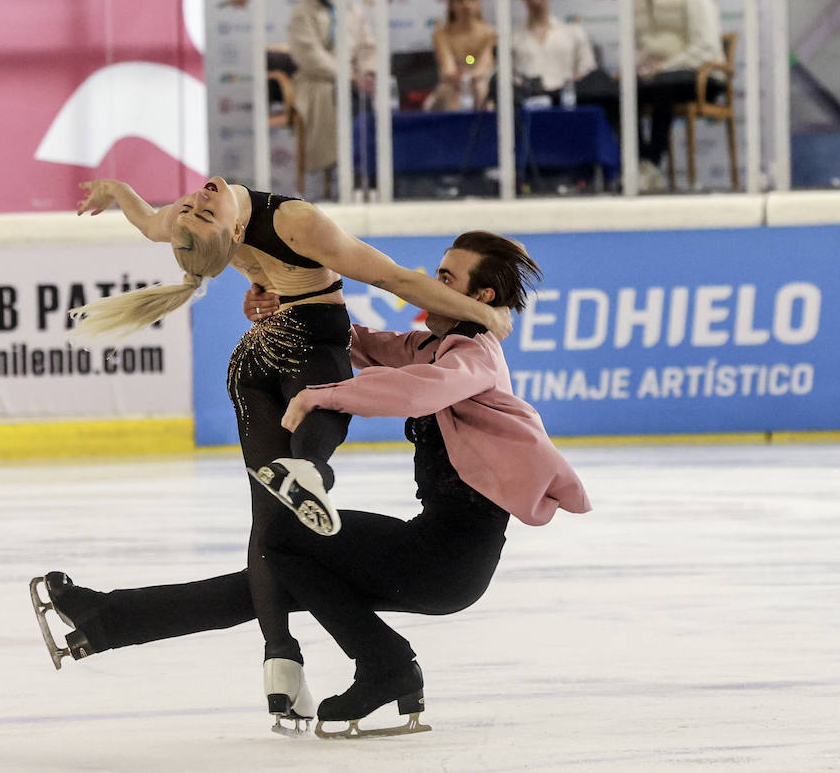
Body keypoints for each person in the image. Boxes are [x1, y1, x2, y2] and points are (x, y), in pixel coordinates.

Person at [31, 231, 590, 738]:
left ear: (482, 298)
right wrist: (286, 311)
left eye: (446, 279)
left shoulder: (474, 355)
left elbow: (416, 392)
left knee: (282, 541)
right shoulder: (430, 345)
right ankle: (104, 620)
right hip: (432, 554)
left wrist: (322, 395)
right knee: (267, 577)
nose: (430, 285)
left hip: (448, 560)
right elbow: (351, 342)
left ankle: (387, 664)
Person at [633, 0, 726, 187]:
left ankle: (651, 163)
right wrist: (643, 67)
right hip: (657, 76)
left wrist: (664, 68)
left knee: (664, 86)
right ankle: (640, 164)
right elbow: (641, 43)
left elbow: (707, 46)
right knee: (621, 93)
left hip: (703, 75)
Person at [288, 0, 376, 198]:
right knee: (346, 96)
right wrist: (347, 76)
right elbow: (309, 55)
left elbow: (368, 46)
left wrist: (368, 72)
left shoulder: (350, 8)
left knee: (364, 100)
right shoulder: (302, 12)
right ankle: (351, 174)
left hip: (353, 82)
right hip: (318, 82)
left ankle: (366, 173)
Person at [512, 0, 597, 99]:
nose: (535, 0)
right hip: (527, 105)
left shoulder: (574, 33)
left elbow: (588, 72)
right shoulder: (513, 38)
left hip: (566, 104)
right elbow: (509, 77)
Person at [424, 0, 496, 111]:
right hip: (451, 87)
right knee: (451, 93)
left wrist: (467, 68)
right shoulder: (441, 35)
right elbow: (448, 70)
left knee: (482, 89)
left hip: (480, 83)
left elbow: (483, 68)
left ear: (479, 2)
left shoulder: (491, 34)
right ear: (451, 4)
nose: (466, 5)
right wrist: (465, 73)